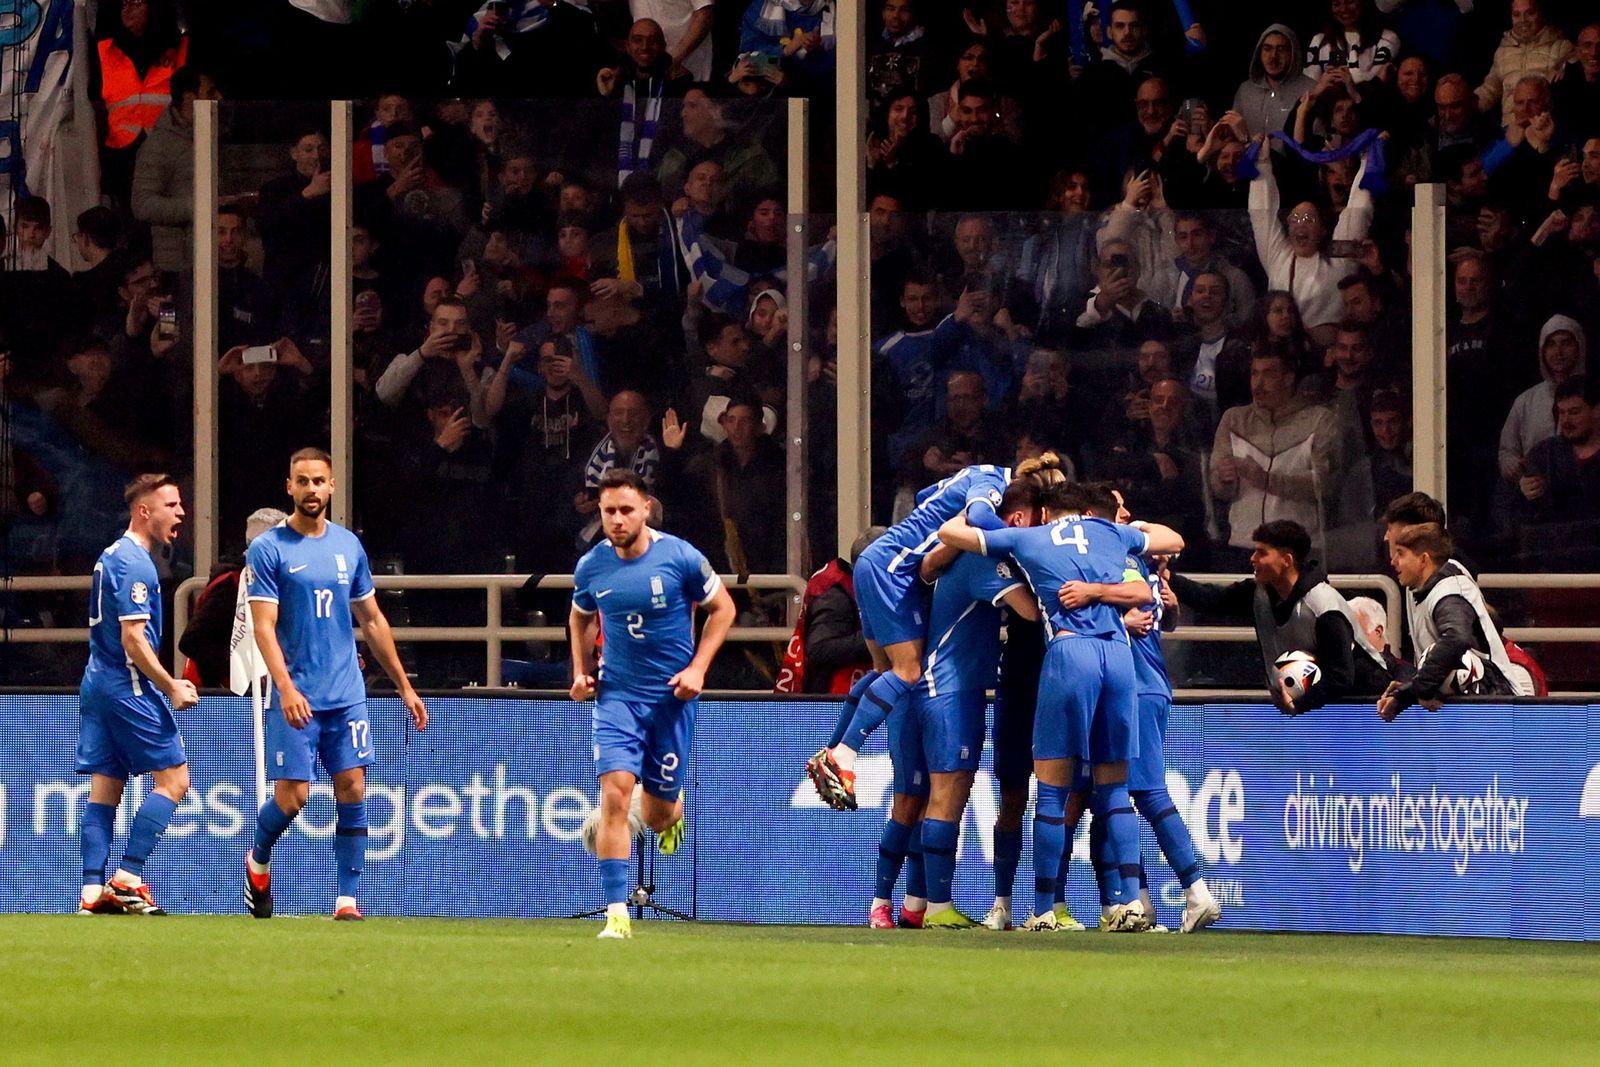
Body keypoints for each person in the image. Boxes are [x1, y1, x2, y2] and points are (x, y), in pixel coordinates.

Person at [939, 479, 1184, 933]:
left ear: (1047, 513)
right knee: (1110, 790)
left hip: (1065, 659)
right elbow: (1172, 543)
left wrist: (977, 507)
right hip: (1116, 657)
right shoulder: (1111, 534)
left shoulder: (1028, 536)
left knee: (1051, 793)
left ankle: (1042, 908)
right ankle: (1130, 903)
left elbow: (951, 536)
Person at [243, 449, 429, 922]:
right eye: (302, 481)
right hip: (297, 692)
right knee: (294, 796)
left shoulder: (349, 547)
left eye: (319, 481)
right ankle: (258, 859)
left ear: (331, 487)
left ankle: (347, 898)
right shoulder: (269, 550)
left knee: (352, 786)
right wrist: (284, 687)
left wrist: (404, 686)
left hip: (347, 694)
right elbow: (264, 626)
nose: (311, 489)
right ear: (289, 487)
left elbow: (371, 619)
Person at [569, 467, 736, 940]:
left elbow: (723, 609)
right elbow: (579, 617)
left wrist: (699, 667)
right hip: (617, 695)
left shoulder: (680, 557)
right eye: (608, 512)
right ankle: (616, 914)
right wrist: (580, 672)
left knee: (659, 813)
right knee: (615, 793)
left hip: (671, 700)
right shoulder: (592, 566)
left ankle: (668, 811)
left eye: (626, 509)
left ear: (645, 508)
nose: (617, 519)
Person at [803, 458, 1022, 812]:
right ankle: (844, 753)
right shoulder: (991, 479)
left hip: (872, 564)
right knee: (908, 670)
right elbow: (980, 517)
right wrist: (1020, 543)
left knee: (883, 671)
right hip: (893, 570)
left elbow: (924, 497)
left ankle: (831, 751)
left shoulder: (964, 475)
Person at [874, 493, 1042, 930]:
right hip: (953, 691)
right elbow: (1031, 612)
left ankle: (909, 903)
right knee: (947, 799)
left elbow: (930, 566)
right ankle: (939, 907)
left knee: (921, 799)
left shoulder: (955, 557)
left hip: (933, 687)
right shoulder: (983, 562)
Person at [1098, 487, 1221, 933]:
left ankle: (1195, 890)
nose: (1130, 514)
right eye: (1121, 508)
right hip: (1143, 686)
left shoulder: (1113, 560)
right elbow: (1160, 620)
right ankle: (1138, 901)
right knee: (1112, 795)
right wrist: (1166, 608)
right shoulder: (1140, 564)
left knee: (1144, 792)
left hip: (1133, 688)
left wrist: (1120, 618)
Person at [75, 474, 200, 916]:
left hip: (96, 682)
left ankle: (92, 893)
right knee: (175, 780)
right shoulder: (136, 564)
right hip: (127, 685)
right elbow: (133, 638)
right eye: (171, 504)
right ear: (144, 511)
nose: (180, 512)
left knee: (105, 787)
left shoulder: (109, 555)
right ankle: (128, 879)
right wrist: (170, 685)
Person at [1168, 519, 1391, 714]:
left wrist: (1299, 703)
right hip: (1317, 706)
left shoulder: (1323, 606)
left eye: (1262, 553)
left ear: (1287, 560)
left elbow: (1341, 677)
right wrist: (1167, 576)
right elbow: (1211, 599)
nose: (1252, 559)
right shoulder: (1258, 593)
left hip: (1362, 705)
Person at [1378, 522, 1535, 721]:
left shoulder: (1449, 593)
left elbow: (1456, 639)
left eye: (1401, 554)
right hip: (1468, 720)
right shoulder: (1423, 591)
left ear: (1423, 559)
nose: (1393, 561)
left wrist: (1412, 692)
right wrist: (1413, 686)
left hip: (1496, 707)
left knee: (1454, 660)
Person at [179, 508, 289, 688]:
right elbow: (193, 641)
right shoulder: (231, 585)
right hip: (222, 696)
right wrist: (241, 672)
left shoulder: (268, 581)